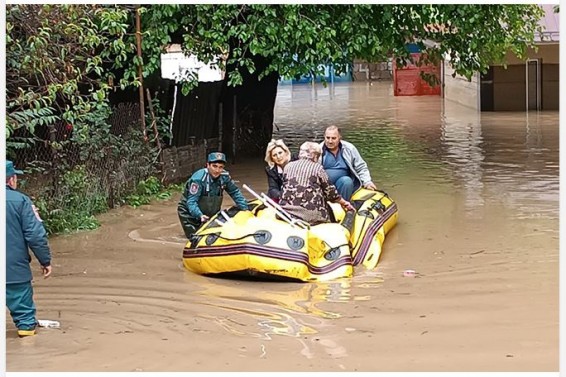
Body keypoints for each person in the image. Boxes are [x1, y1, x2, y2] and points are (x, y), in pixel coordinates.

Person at [6, 160, 53, 338]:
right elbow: (35, 235)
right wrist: (45, 261)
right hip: (13, 272)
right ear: (12, 180)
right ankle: (28, 346)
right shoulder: (21, 201)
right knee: (25, 323)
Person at [279, 141, 354, 225]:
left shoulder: (288, 166)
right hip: (310, 215)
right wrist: (344, 203)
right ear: (314, 156)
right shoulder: (318, 168)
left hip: (286, 211)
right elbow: (331, 193)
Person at [177, 152, 249, 238]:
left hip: (210, 211)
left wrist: (245, 208)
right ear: (208, 165)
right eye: (214, 166)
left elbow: (235, 192)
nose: (217, 170)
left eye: (220, 167)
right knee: (195, 238)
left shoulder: (224, 177)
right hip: (189, 212)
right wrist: (200, 215)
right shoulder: (198, 179)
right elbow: (191, 202)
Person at [319, 125, 377, 201]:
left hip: (344, 184)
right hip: (324, 185)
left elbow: (361, 166)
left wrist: (367, 182)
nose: (330, 141)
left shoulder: (349, 148)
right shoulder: (318, 150)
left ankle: (345, 207)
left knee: (347, 181)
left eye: (333, 138)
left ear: (339, 138)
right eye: (328, 138)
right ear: (324, 137)